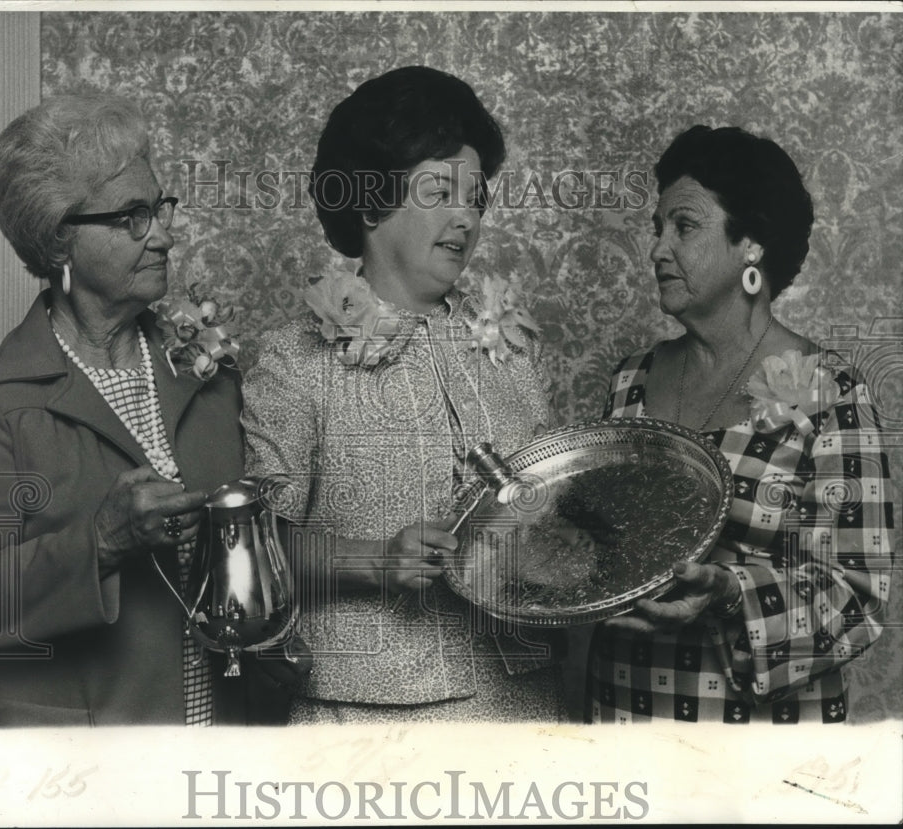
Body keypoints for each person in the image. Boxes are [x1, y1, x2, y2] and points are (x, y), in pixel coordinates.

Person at [0, 93, 298, 727]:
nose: (165, 234)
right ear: (57, 241)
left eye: (160, 208)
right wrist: (97, 543)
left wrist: (375, 563)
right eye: (133, 216)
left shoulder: (207, 377)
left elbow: (256, 546)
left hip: (213, 739)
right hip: (72, 769)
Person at [240, 66, 566, 723]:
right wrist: (374, 562)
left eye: (476, 196)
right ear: (370, 202)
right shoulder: (297, 357)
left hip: (516, 707)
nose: (465, 216)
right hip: (359, 716)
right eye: (440, 189)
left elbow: (555, 516)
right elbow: (250, 544)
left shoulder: (511, 349)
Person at [588, 125, 894, 723]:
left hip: (753, 747)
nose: (656, 250)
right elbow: (597, 548)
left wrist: (728, 594)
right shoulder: (631, 381)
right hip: (623, 715)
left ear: (750, 245)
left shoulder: (821, 390)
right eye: (658, 229)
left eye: (685, 226)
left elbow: (858, 598)